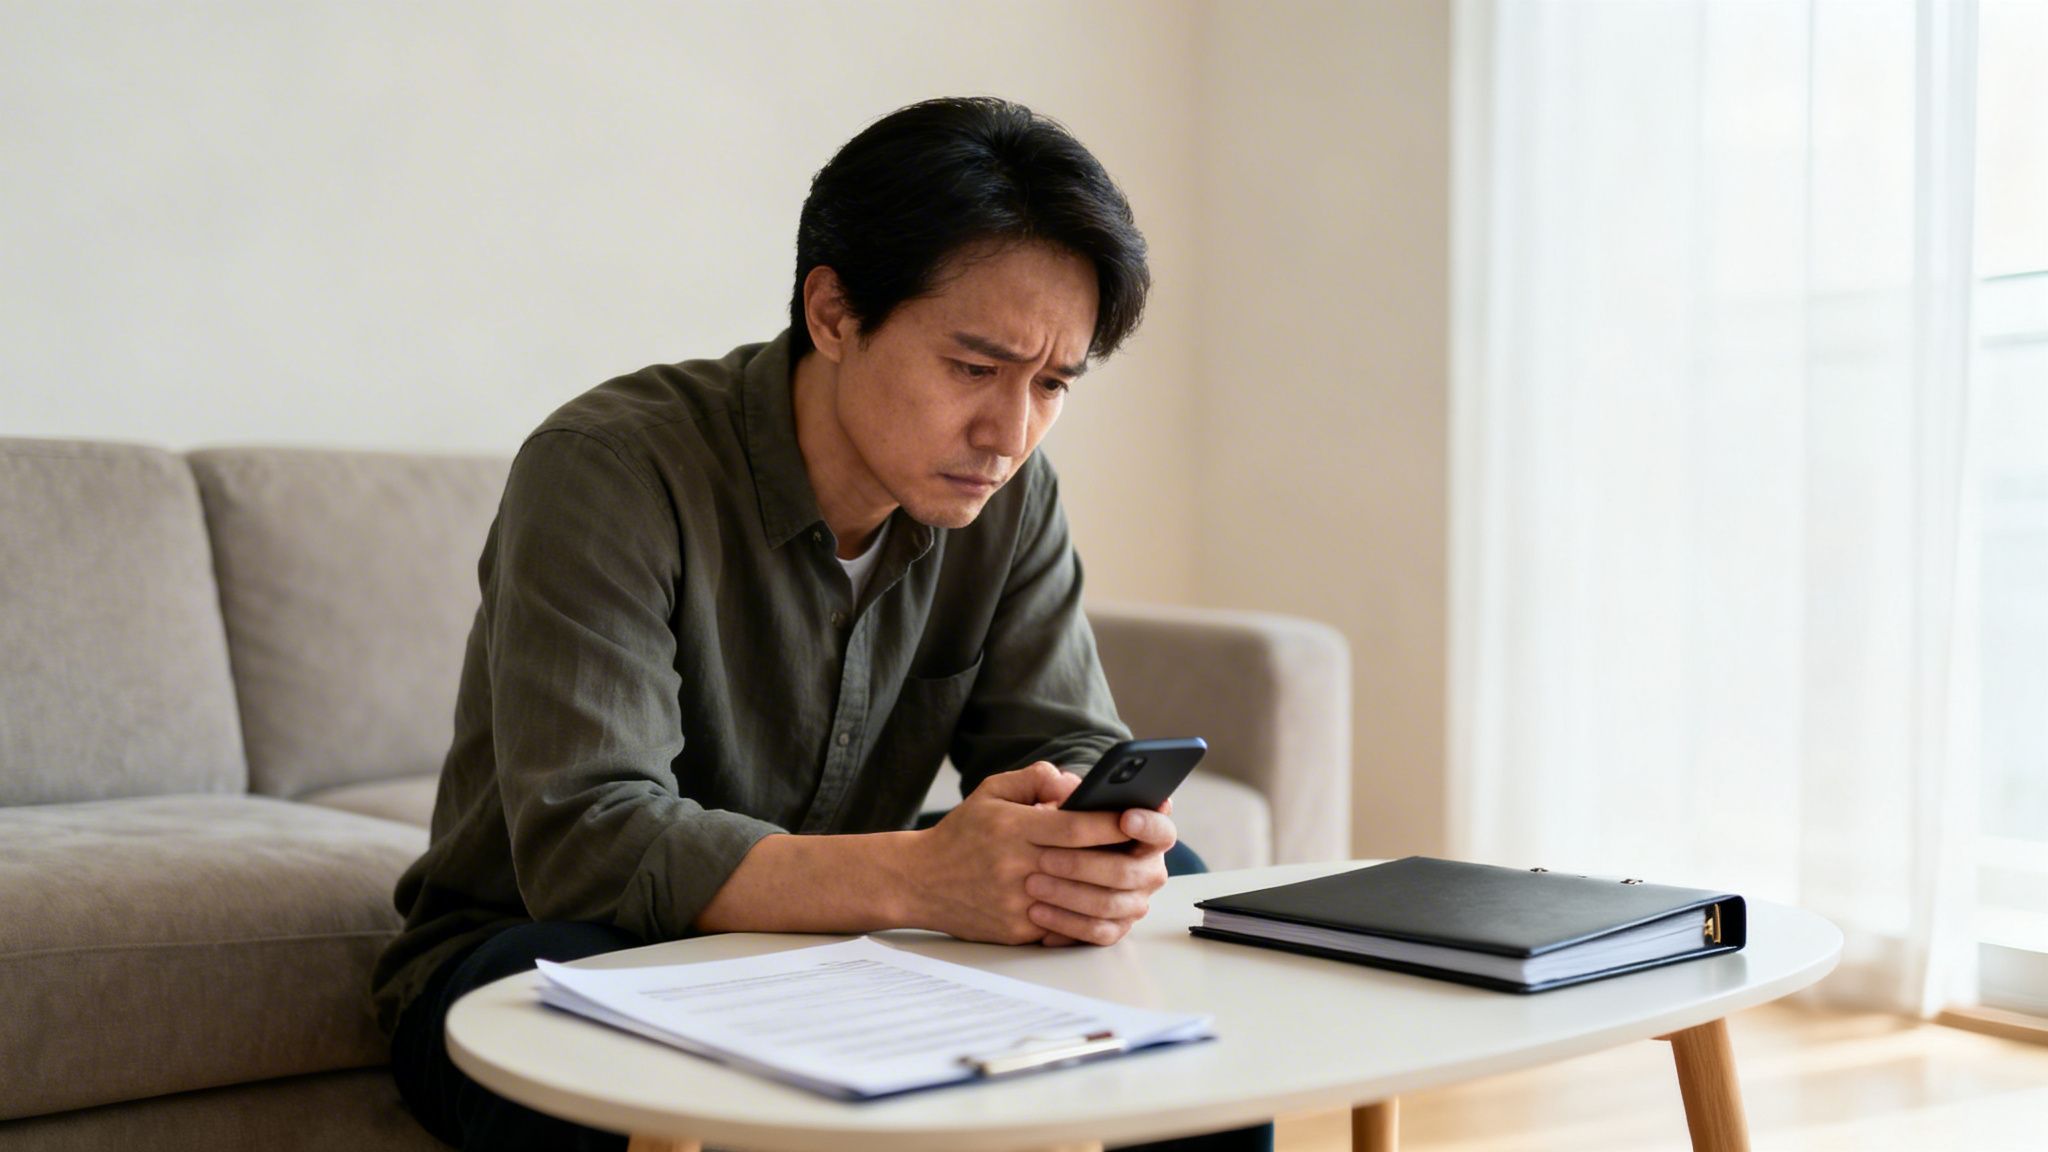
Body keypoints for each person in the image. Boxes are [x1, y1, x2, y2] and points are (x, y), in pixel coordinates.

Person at [373, 96, 1269, 1152]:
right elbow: (590, 842)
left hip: (835, 951)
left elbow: (1062, 743)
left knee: (1173, 892)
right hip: (547, 954)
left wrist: (1078, 836)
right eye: (973, 369)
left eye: (1051, 384)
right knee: (609, 1012)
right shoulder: (609, 469)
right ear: (834, 313)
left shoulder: (1007, 496)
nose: (1008, 431)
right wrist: (924, 878)